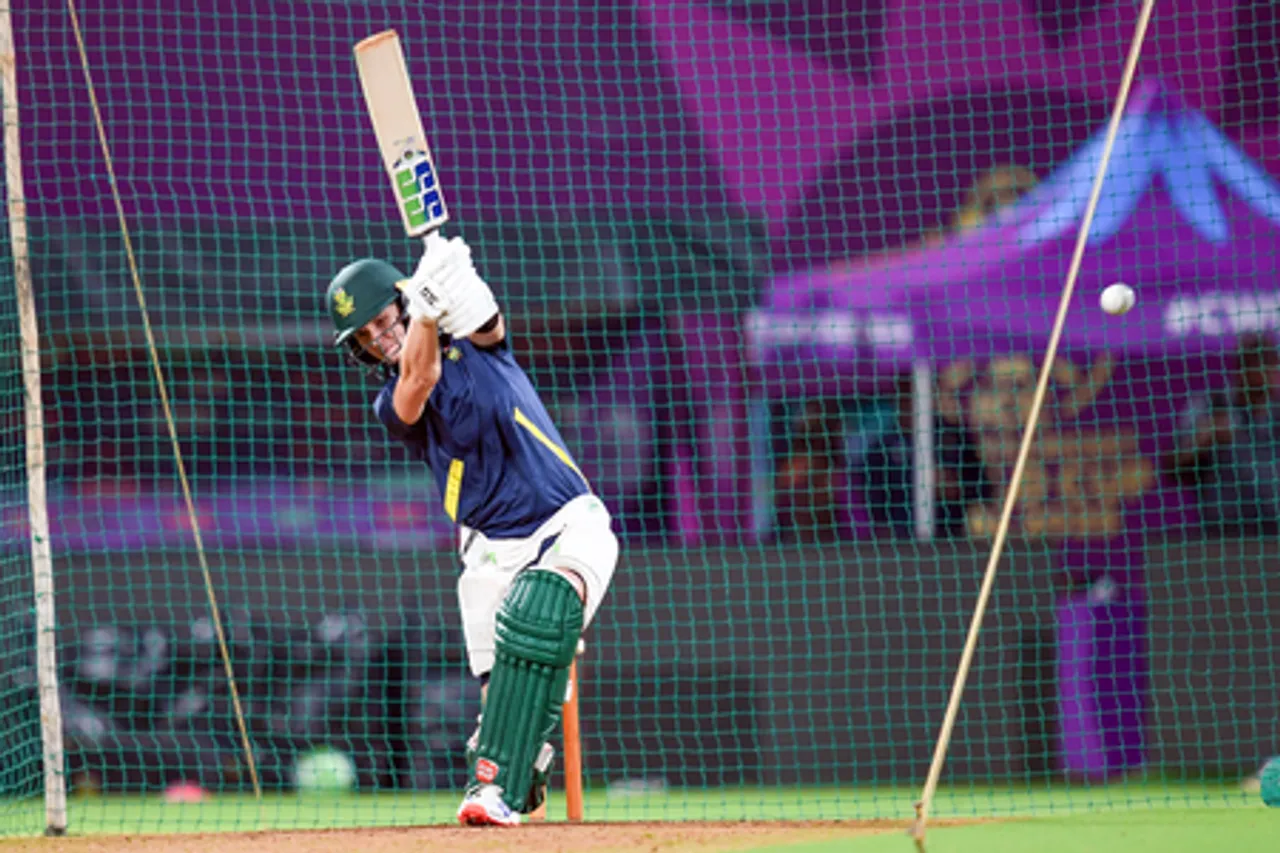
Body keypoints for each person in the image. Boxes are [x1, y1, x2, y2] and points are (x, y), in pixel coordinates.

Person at [324, 235, 619, 826]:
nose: (381, 340)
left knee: (540, 609)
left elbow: (487, 319)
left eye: (384, 322)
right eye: (367, 338)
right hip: (487, 549)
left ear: (401, 304)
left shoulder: (479, 347)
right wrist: (427, 310)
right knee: (503, 685)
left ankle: (502, 782)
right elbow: (420, 376)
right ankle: (507, 777)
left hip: (567, 521)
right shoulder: (393, 404)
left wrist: (454, 282)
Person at [1167, 331, 1280, 535]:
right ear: (1241, 368)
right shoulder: (1211, 405)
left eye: (1270, 363)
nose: (1265, 371)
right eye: (1256, 363)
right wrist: (1204, 438)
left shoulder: (1276, 412)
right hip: (1223, 532)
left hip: (1275, 529)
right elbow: (1173, 468)